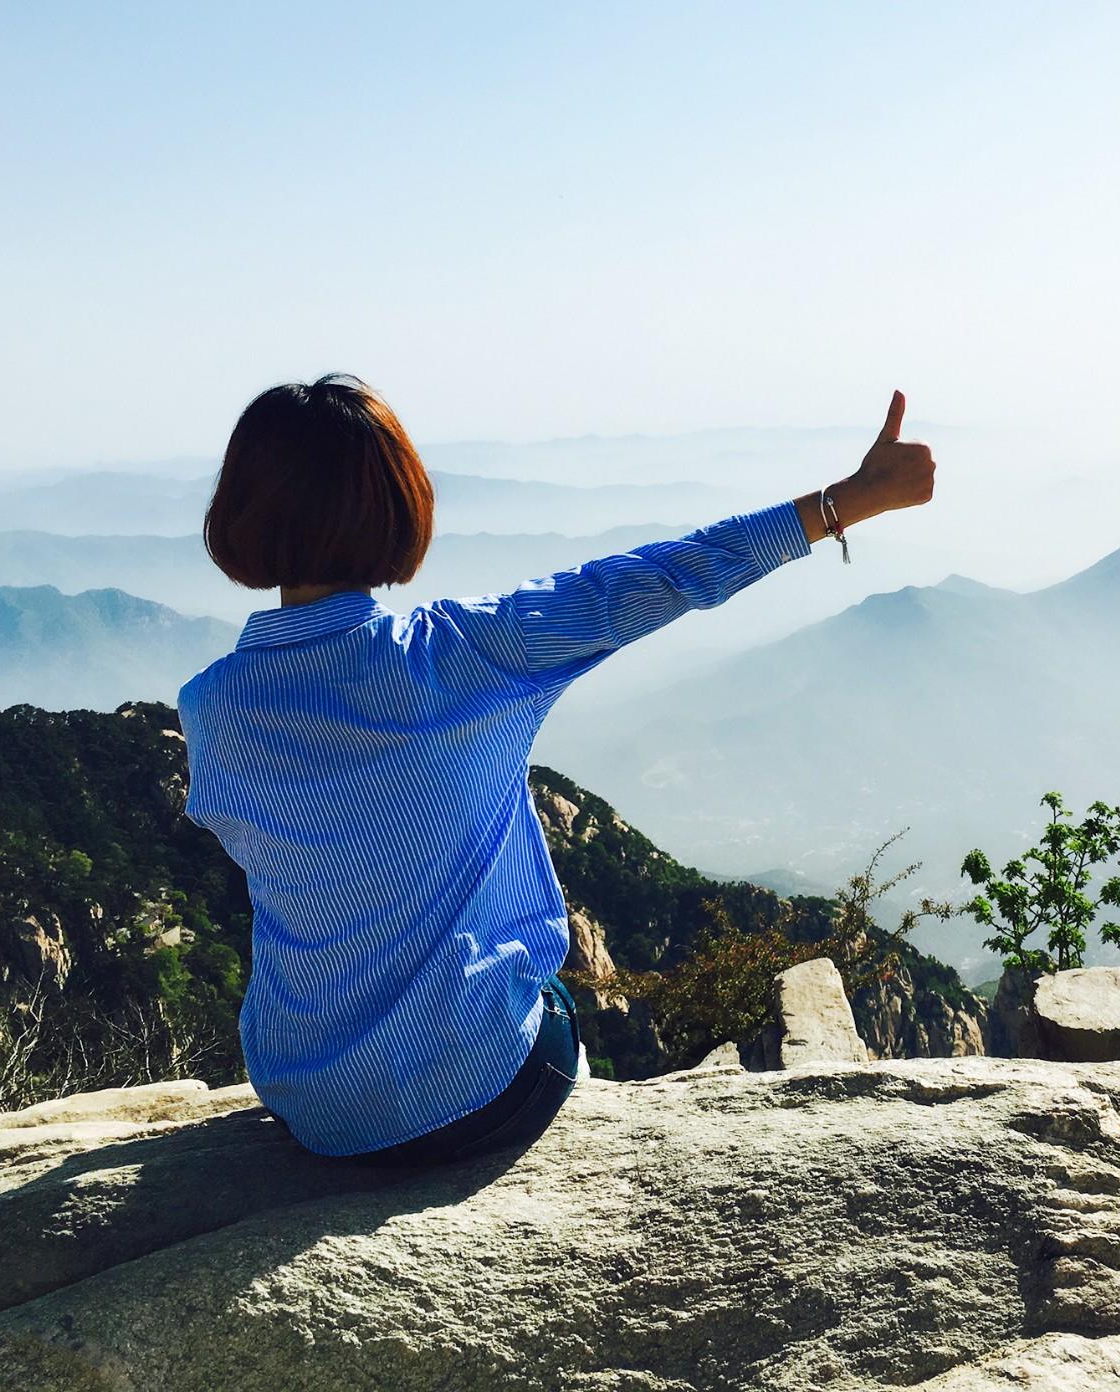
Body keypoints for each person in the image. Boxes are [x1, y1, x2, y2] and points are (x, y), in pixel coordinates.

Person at [176, 374, 934, 1165]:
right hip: (483, 1096)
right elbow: (660, 577)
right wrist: (846, 502)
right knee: (555, 999)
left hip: (315, 1109)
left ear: (240, 514)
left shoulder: (212, 708)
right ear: (398, 507)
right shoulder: (469, 651)